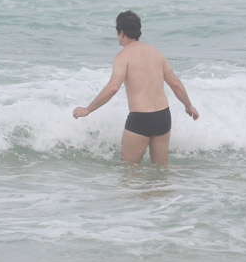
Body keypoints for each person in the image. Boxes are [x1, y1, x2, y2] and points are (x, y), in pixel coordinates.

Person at [72, 10, 199, 165]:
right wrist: (188, 105)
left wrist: (88, 109)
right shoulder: (156, 53)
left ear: (121, 33)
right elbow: (175, 83)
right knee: (160, 170)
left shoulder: (123, 56)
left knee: (130, 171)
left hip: (141, 118)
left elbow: (113, 87)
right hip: (162, 116)